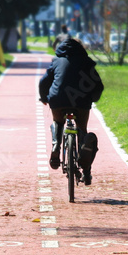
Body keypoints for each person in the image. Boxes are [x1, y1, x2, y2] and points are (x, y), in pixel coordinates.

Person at [39, 37, 104, 185]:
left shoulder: (56, 61)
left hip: (58, 100)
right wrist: (93, 98)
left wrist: (44, 98)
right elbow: (98, 85)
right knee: (82, 130)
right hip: (81, 102)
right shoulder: (87, 62)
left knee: (57, 121)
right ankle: (86, 172)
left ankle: (56, 144)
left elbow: (44, 82)